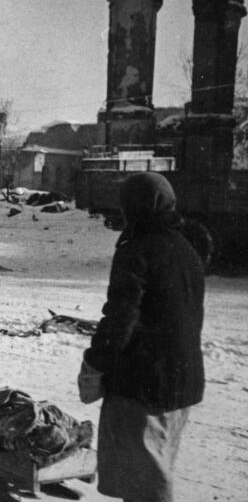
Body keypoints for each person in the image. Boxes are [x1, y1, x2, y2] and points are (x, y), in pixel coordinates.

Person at [78, 172, 204, 502]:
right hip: (181, 380)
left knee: (144, 484)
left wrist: (94, 363)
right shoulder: (186, 249)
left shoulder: (137, 249)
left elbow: (121, 319)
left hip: (144, 384)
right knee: (154, 473)